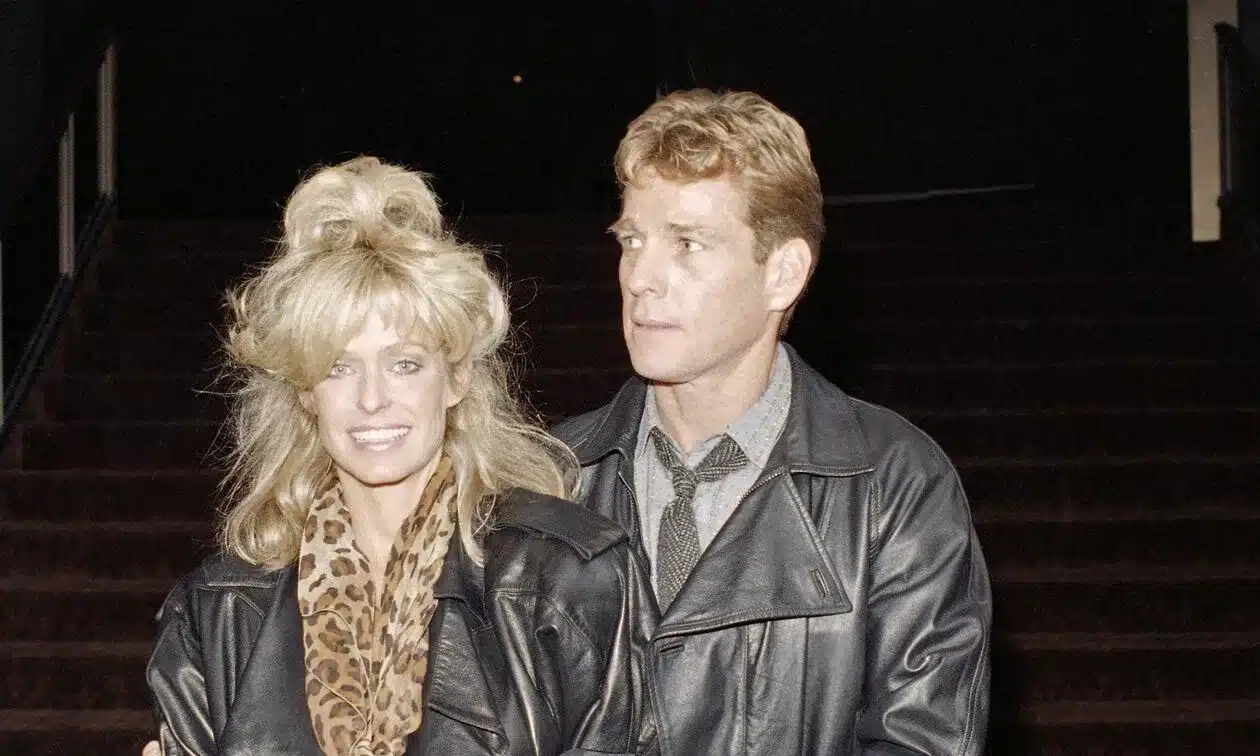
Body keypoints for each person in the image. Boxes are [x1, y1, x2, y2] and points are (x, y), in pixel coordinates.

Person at [143, 156, 654, 755]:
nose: (372, 399)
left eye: (404, 364)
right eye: (339, 368)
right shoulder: (218, 613)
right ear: (305, 393)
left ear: (456, 378)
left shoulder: (567, 581)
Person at [551, 89, 992, 754]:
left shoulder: (894, 485)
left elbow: (924, 738)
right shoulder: (550, 476)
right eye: (633, 240)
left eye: (688, 243)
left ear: (783, 274)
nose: (641, 277)